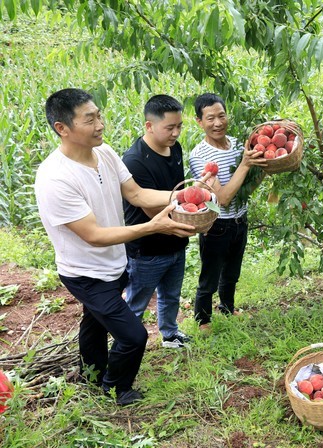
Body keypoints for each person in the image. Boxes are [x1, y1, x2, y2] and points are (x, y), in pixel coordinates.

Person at [35, 88, 196, 405]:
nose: (100, 125)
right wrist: (152, 227)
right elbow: (93, 234)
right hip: (85, 273)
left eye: (99, 115)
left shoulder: (105, 154)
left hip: (114, 263)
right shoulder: (55, 178)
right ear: (62, 128)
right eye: (90, 119)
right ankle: (116, 388)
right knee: (134, 336)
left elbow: (136, 194)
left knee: (93, 323)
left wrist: (183, 196)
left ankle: (90, 374)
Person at [189, 93, 266, 330]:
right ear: (199, 122)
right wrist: (245, 164)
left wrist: (264, 169)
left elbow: (245, 189)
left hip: (239, 220)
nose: (218, 123)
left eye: (221, 116)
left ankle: (227, 308)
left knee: (232, 272)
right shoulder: (200, 156)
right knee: (209, 276)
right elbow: (221, 199)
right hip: (217, 225)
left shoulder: (236, 145)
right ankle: (203, 319)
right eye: (210, 118)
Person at [122, 95, 191, 349]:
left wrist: (189, 217)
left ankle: (170, 334)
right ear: (149, 126)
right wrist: (184, 220)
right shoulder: (134, 161)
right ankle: (127, 345)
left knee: (171, 295)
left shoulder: (175, 147)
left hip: (176, 238)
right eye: (170, 128)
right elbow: (150, 208)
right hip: (147, 248)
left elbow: (177, 188)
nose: (176, 132)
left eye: (179, 126)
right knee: (136, 301)